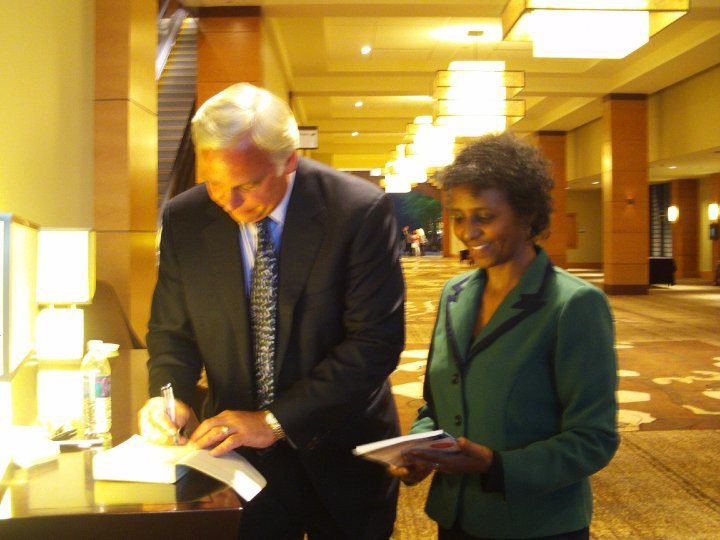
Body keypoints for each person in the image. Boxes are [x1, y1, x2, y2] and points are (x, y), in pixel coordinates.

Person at [139, 83, 405, 539]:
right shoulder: (186, 217)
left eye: (246, 185)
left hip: (340, 449)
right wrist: (170, 398)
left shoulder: (357, 211)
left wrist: (275, 421)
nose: (229, 202)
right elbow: (171, 331)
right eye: (214, 183)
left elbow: (374, 344)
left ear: (290, 161)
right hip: (237, 462)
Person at [390, 132, 618, 539]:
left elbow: (594, 438)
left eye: (485, 216)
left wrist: (496, 466)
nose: (468, 232)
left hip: (536, 524)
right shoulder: (454, 294)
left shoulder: (573, 305)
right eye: (459, 217)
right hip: (456, 517)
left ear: (528, 215)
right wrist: (420, 447)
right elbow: (437, 404)